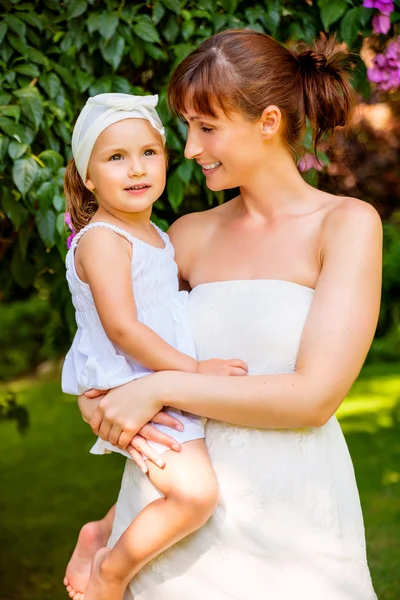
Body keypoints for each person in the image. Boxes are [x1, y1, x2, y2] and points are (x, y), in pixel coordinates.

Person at [68, 30, 382, 600]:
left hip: (294, 520)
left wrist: (162, 385)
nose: (188, 149)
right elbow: (115, 343)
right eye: (187, 127)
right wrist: (99, 403)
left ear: (267, 122)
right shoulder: (183, 238)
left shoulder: (347, 225)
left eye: (206, 127)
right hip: (176, 534)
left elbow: (313, 399)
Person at [61, 92, 248, 600]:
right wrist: (193, 372)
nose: (136, 168)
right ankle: (111, 572)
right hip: (134, 383)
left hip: (154, 381)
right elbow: (122, 327)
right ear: (88, 177)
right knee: (194, 494)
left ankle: (100, 532)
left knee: (171, 476)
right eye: (115, 157)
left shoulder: (157, 237)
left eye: (148, 152)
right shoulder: (103, 238)